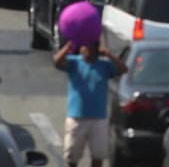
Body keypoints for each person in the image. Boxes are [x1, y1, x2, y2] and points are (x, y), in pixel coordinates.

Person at [54, 39, 127, 167]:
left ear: (96, 49)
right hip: (76, 118)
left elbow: (123, 69)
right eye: (84, 47)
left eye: (90, 47)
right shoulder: (74, 62)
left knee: (98, 157)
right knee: (72, 158)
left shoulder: (104, 66)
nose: (87, 49)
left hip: (98, 119)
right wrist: (67, 47)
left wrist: (109, 55)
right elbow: (57, 61)